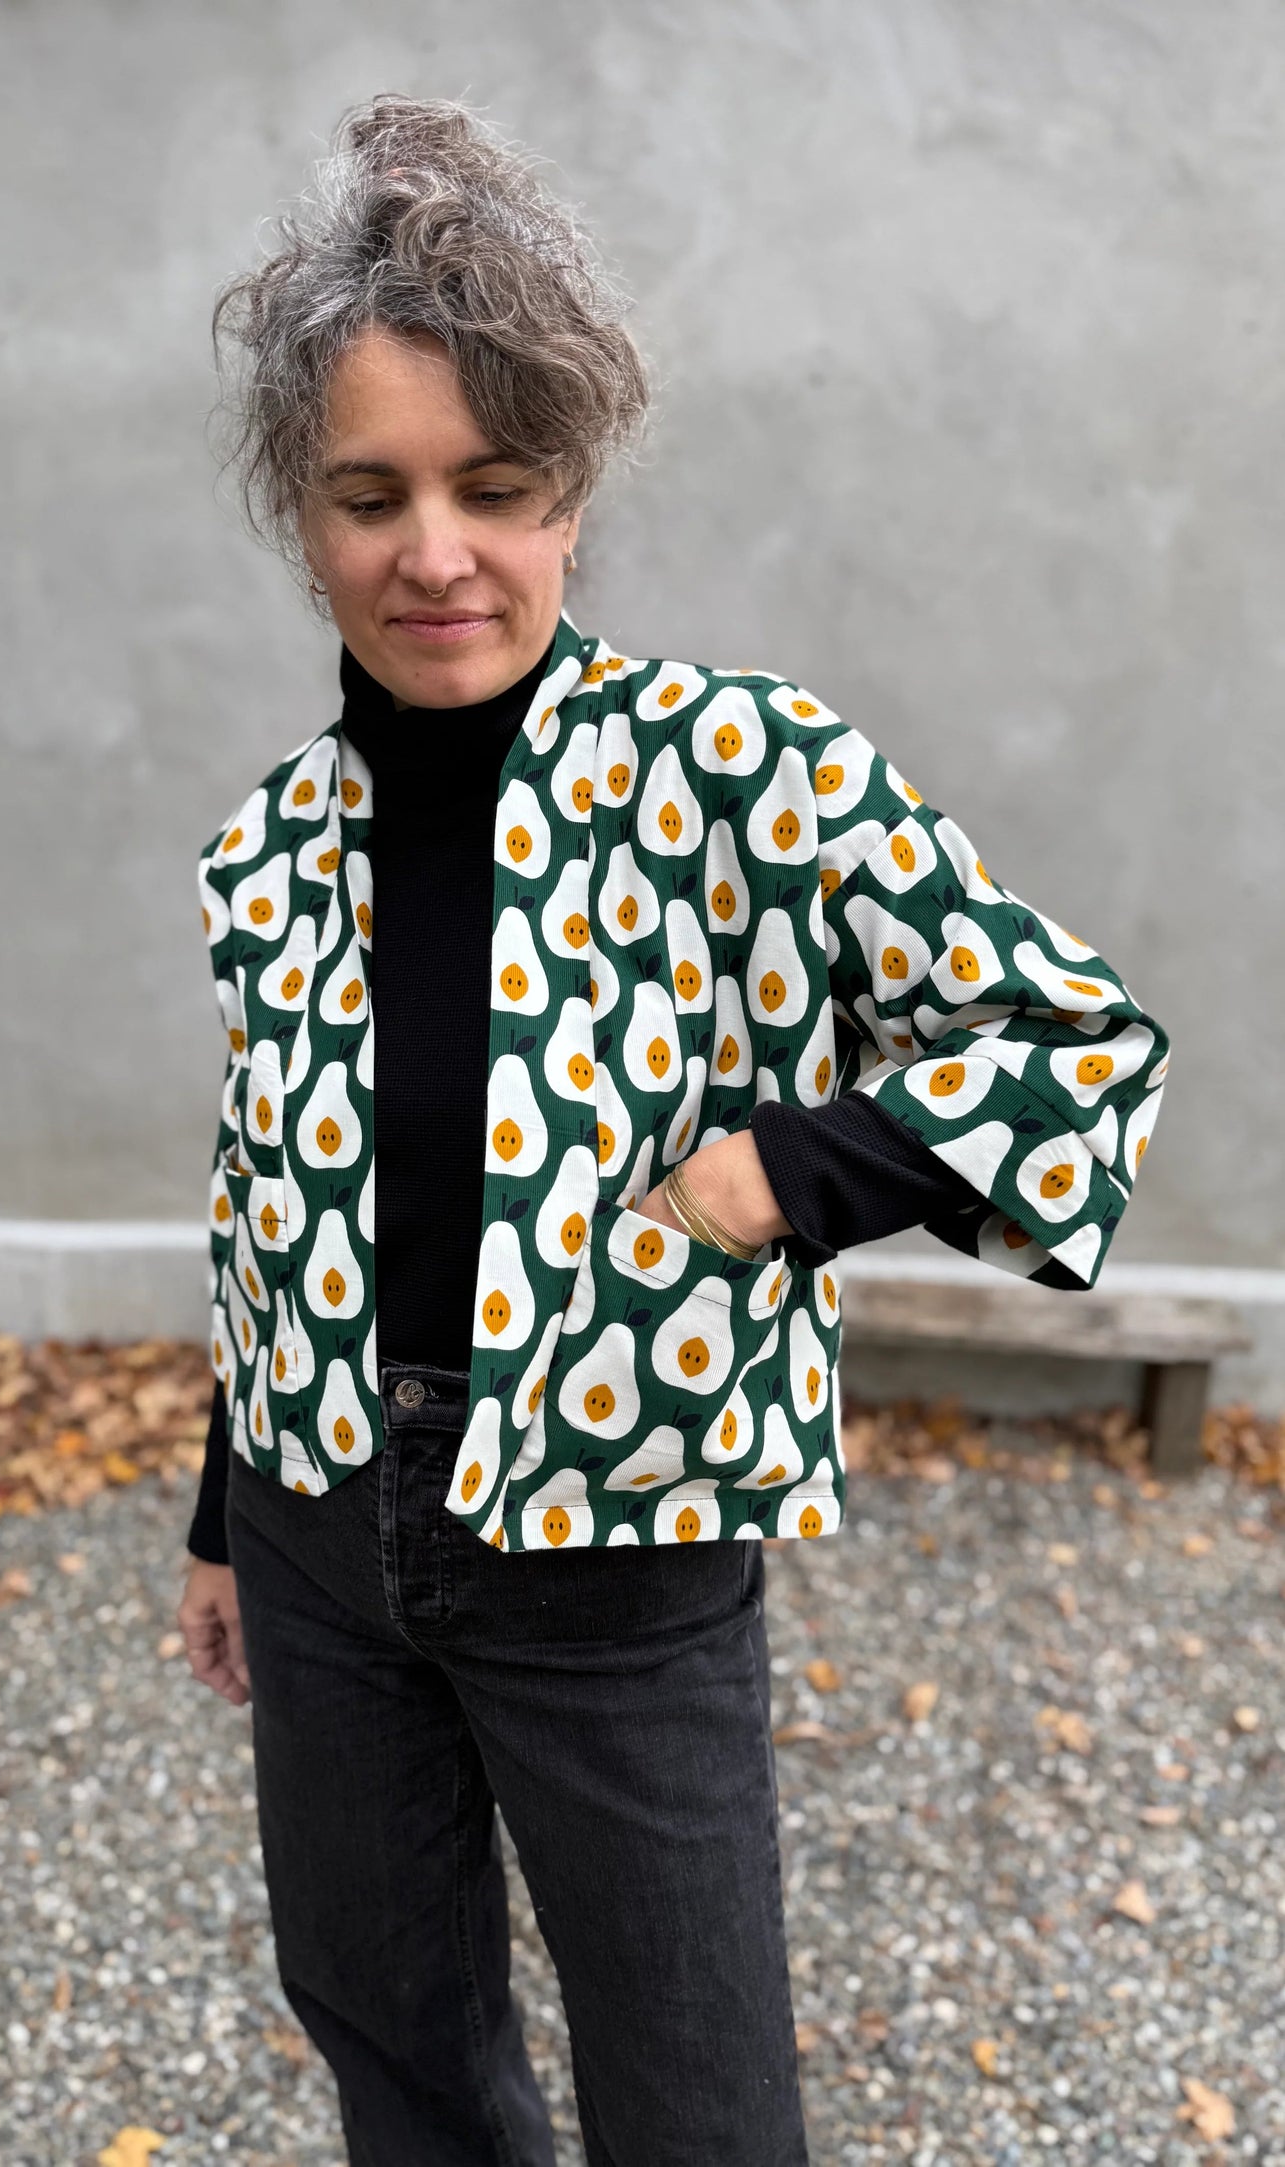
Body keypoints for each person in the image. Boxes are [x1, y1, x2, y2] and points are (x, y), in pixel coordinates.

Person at [175, 95, 1170, 2167]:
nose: (432, 552)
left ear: (570, 493)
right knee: (390, 2036)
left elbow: (1075, 1035)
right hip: (320, 1519)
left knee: (698, 2094)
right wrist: (221, 1511)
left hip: (619, 1540)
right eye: (369, 495)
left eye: (493, 486)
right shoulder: (269, 849)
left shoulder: (741, 771)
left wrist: (798, 1169)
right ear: (303, 510)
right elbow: (281, 1193)